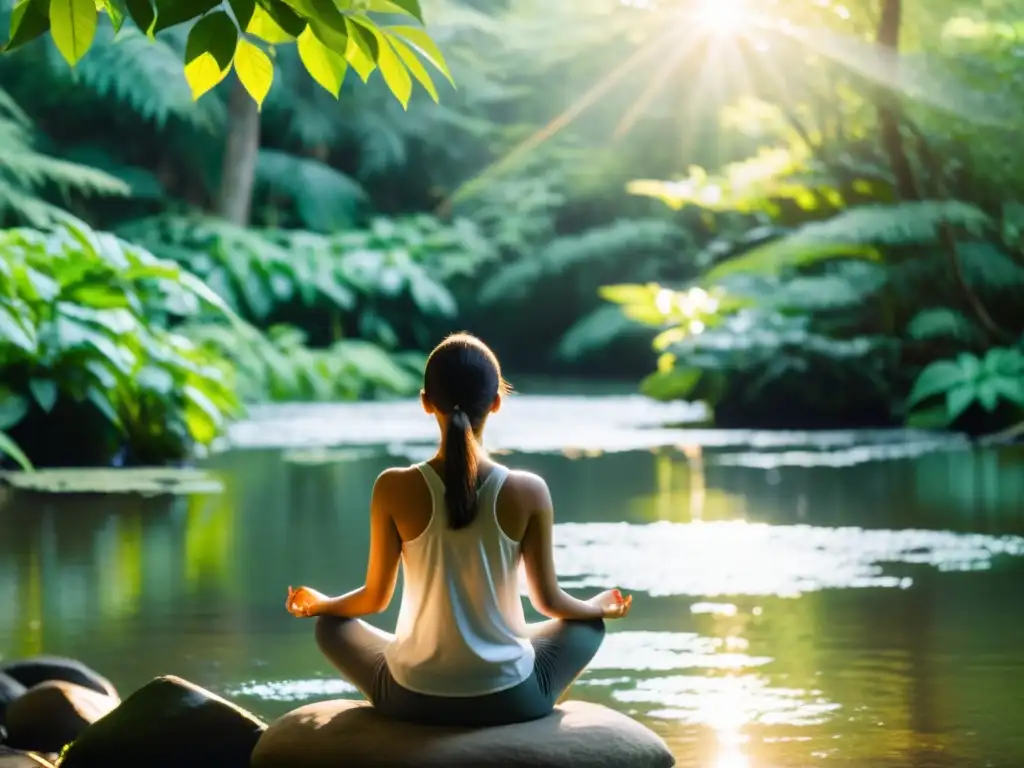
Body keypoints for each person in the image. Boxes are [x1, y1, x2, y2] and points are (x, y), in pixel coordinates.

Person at [285, 332, 632, 727]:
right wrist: (597, 606)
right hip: (511, 698)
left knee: (331, 628)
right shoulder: (528, 490)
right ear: (497, 403)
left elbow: (374, 599)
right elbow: (550, 602)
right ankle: (521, 681)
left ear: (425, 402)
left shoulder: (392, 486)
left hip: (410, 699)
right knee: (587, 627)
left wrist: (320, 605)